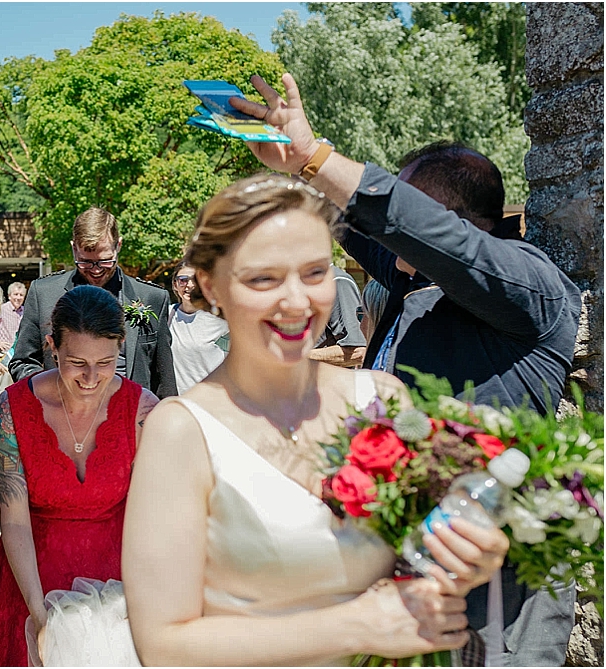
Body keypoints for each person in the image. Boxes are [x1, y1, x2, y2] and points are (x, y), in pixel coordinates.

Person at [124, 171, 508, 665]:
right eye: (263, 278)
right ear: (209, 285)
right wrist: (355, 627)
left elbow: (421, 558)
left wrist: (470, 557)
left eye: (315, 273)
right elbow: (162, 646)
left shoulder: (382, 400)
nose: (297, 302)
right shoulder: (180, 431)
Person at [0, 285, 160, 666]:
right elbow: (14, 519)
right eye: (77, 362)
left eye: (106, 362)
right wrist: (38, 611)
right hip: (31, 574)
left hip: (117, 584)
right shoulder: (10, 410)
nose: (91, 377)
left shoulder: (143, 411)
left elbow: (155, 518)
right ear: (52, 346)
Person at [9, 207, 177, 398]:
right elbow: (22, 362)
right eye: (85, 262)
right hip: (63, 416)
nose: (95, 270)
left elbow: (164, 381)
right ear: (74, 248)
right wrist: (53, 390)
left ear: (118, 246)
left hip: (131, 419)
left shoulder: (152, 297)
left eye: (105, 261)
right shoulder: (44, 294)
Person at [167, 262, 230, 387]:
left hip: (210, 397)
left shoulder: (218, 316)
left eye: (195, 280)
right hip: (176, 400)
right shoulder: (166, 314)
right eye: (183, 280)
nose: (190, 285)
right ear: (175, 285)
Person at [0, 281, 28, 346]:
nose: (18, 298)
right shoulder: (1, 309)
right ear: (9, 296)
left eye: (21, 295)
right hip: (4, 351)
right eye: (15, 294)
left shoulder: (25, 311)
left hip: (20, 351)